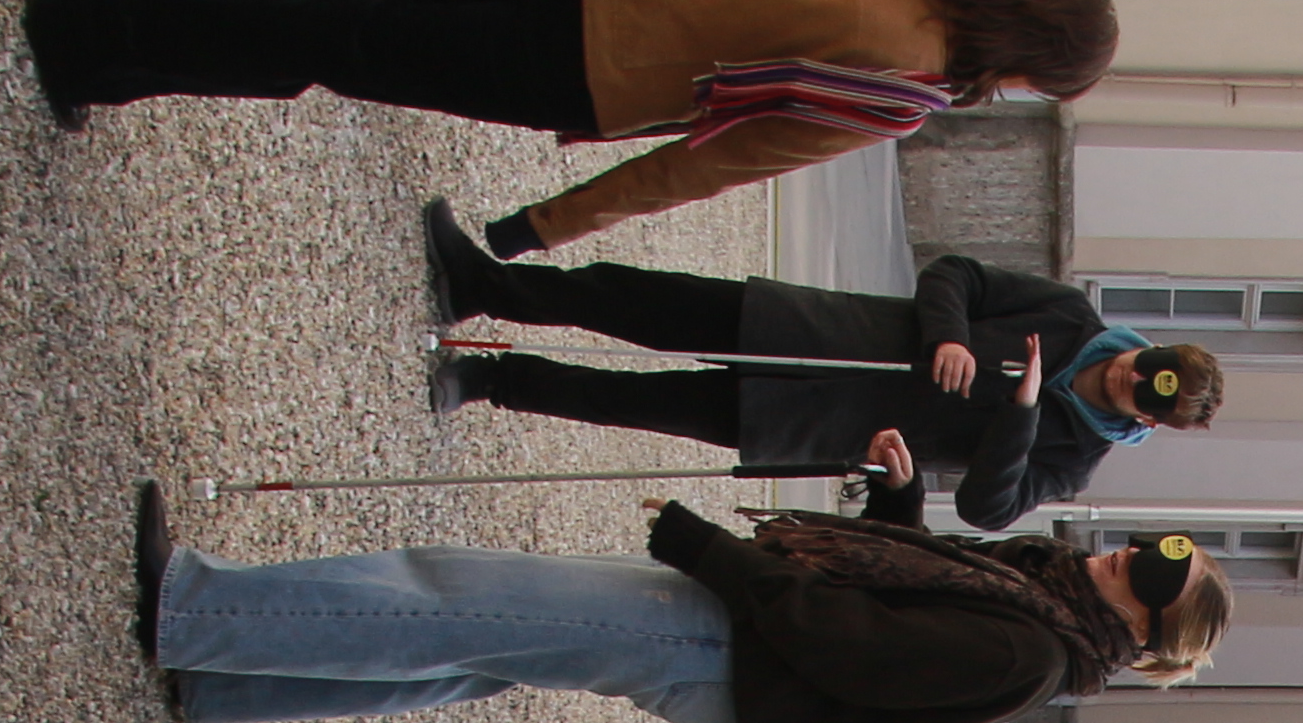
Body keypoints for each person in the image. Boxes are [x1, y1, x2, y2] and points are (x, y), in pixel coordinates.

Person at [19, 0, 1116, 251]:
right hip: (584, 61)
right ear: (1024, 62)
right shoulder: (901, 91)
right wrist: (544, 226)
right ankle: (94, 39)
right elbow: (710, 161)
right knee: (340, 44)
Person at [140, 493, 1230, 723]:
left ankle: (197, 614)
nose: (1134, 557)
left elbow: (848, 647)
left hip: (725, 642)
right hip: (729, 650)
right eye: (1154, 550)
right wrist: (894, 511)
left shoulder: (1036, 650)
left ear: (1144, 643)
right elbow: (909, 603)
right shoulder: (1036, 608)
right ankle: (226, 676)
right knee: (483, 647)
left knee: (459, 597)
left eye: (1154, 580)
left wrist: (707, 548)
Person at [427, 226, 1225, 537]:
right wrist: (947, 333)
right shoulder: (1069, 316)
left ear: (1143, 423)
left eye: (1130, 390)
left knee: (630, 401)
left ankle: (495, 380)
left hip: (809, 427)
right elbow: (955, 272)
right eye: (1138, 362)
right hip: (811, 331)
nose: (1121, 371)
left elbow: (989, 508)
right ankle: (489, 288)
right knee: (633, 300)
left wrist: (1019, 413)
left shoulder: (1073, 459)